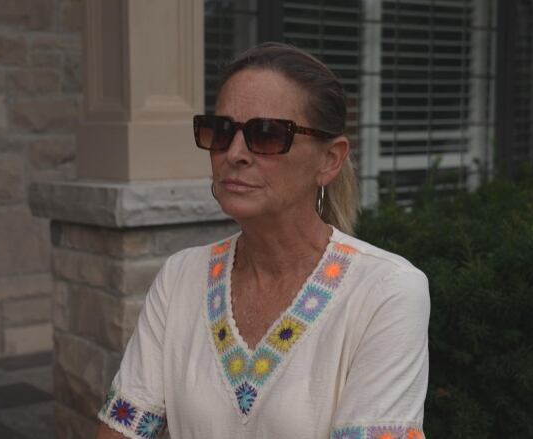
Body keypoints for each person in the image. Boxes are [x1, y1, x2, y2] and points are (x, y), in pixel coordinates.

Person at [95, 43, 430, 439]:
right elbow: (122, 430)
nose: (234, 153)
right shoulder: (181, 275)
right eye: (220, 131)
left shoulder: (386, 291)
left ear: (330, 160)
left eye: (267, 134)